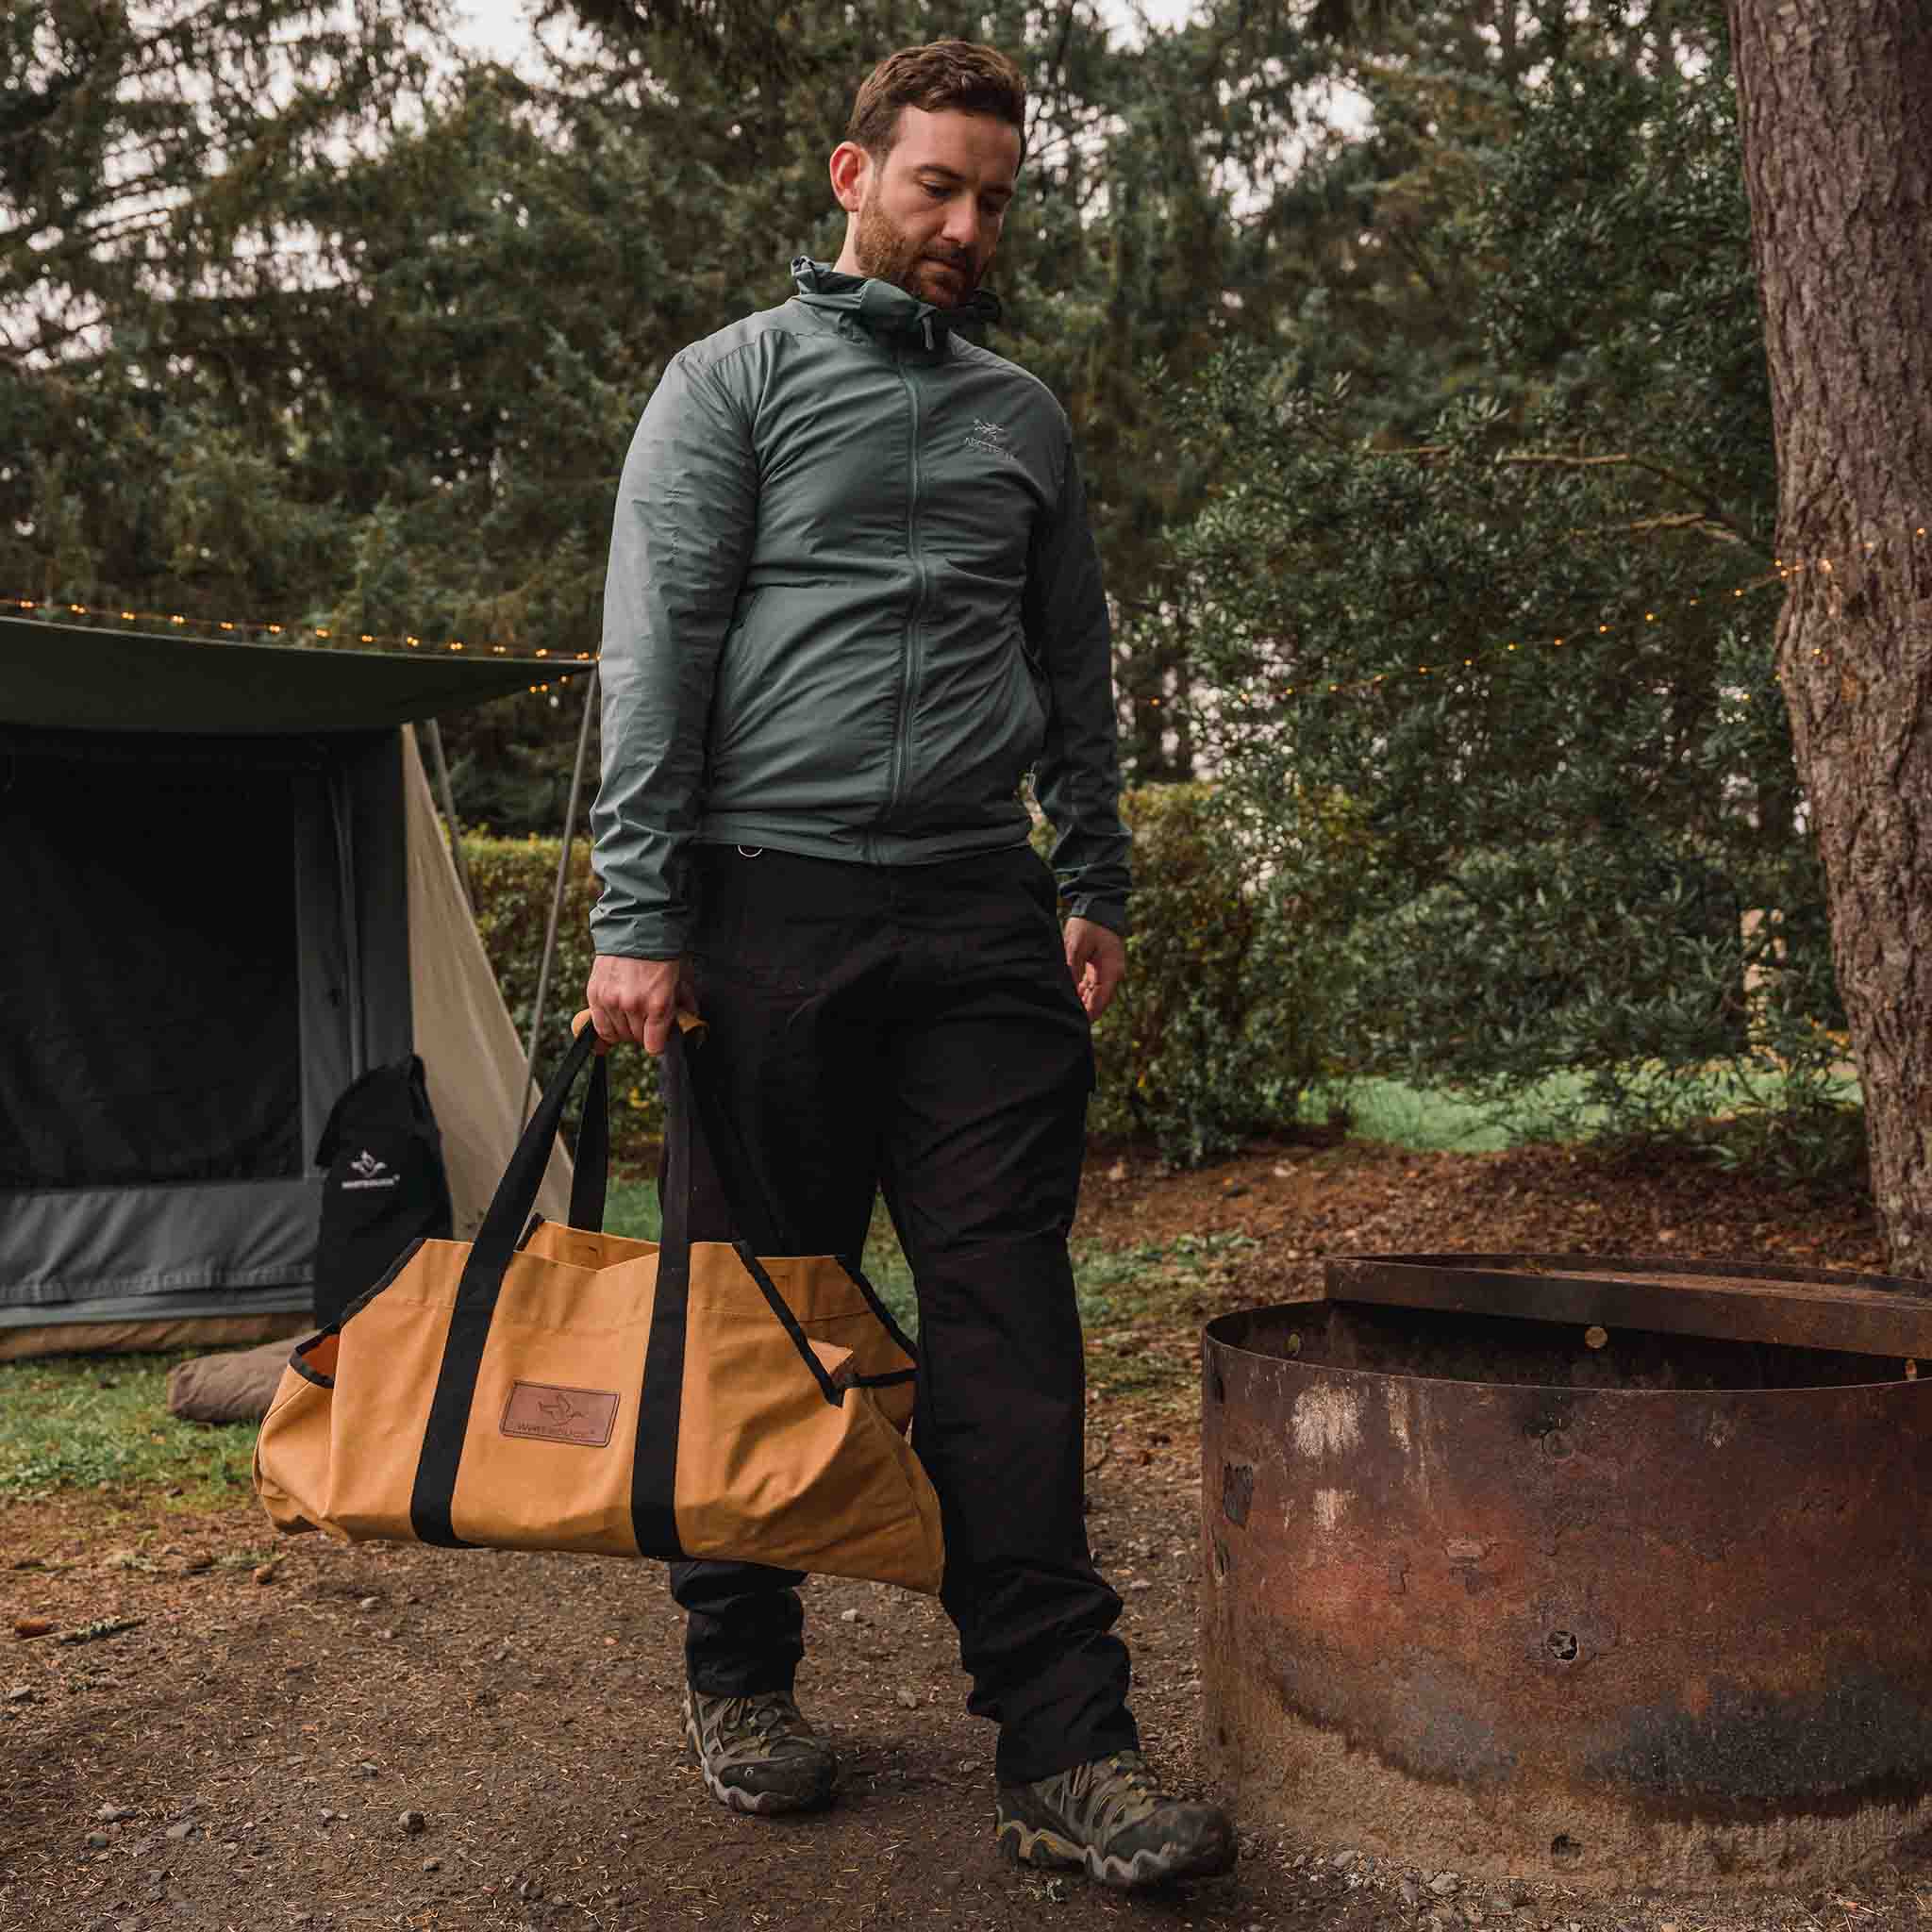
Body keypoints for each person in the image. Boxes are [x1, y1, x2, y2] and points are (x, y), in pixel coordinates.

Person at [583, 38, 1234, 1891]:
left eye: (993, 200)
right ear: (851, 175)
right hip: (760, 912)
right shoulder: (732, 382)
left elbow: (1073, 662)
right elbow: (659, 648)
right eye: (938, 186)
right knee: (754, 1308)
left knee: (1006, 1319)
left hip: (973, 917)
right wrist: (638, 912)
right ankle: (740, 1668)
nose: (965, 227)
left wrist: (1092, 872)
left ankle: (1065, 1743)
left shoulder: (1024, 418)